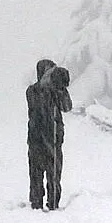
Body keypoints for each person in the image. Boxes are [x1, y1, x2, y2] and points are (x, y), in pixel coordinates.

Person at [27, 59, 72, 210]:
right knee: (36, 174)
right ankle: (36, 204)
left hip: (52, 138)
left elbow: (67, 107)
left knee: (53, 174)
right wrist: (49, 88)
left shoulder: (56, 91)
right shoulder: (33, 90)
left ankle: (53, 204)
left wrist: (61, 90)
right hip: (38, 139)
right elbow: (37, 105)